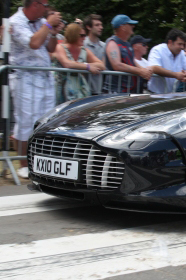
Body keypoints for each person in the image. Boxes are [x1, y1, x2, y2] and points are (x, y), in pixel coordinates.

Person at [9, 0, 63, 178]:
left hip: (44, 77)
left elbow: (49, 47)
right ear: (35, 4)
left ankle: (40, 161)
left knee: (45, 120)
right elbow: (33, 43)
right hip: (25, 77)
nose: (47, 8)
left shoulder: (41, 23)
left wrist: (53, 33)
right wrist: (48, 24)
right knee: (26, 121)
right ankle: (23, 164)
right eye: (45, 4)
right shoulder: (16, 21)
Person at [54, 23, 105, 104]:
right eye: (82, 35)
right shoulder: (60, 47)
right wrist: (87, 66)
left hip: (80, 88)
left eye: (84, 35)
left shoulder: (84, 50)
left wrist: (83, 65)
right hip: (62, 87)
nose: (84, 38)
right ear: (73, 35)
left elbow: (101, 65)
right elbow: (67, 64)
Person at [103, 14, 152, 93]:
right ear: (123, 27)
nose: (133, 26)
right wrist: (139, 71)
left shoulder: (127, 44)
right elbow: (117, 65)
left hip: (128, 91)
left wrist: (144, 70)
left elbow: (132, 61)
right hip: (116, 91)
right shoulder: (112, 42)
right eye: (130, 24)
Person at [148, 28, 186, 93]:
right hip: (154, 94)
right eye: (179, 44)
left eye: (183, 44)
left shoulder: (181, 53)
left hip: (170, 94)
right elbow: (154, 68)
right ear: (170, 42)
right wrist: (176, 75)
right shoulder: (157, 50)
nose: (182, 47)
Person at [83, 14, 105, 94]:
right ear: (89, 27)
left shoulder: (104, 46)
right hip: (83, 89)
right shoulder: (82, 44)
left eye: (101, 25)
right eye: (97, 25)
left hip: (99, 90)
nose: (101, 27)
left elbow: (104, 66)